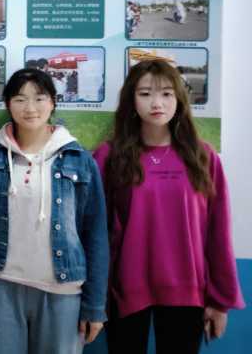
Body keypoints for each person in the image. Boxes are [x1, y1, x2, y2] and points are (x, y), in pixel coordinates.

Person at [94, 60, 245, 354]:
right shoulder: (109, 156)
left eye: (166, 93)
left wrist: (220, 301)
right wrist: (93, 298)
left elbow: (218, 232)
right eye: (145, 93)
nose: (157, 103)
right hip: (124, 289)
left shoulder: (202, 156)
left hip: (188, 291)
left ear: (179, 99)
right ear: (131, 99)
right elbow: (95, 232)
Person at [0, 68, 108, 354]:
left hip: (62, 290)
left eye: (39, 98)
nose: (30, 108)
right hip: (2, 284)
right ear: (8, 105)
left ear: (53, 102)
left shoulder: (79, 159)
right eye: (20, 99)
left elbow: (96, 234)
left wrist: (95, 305)